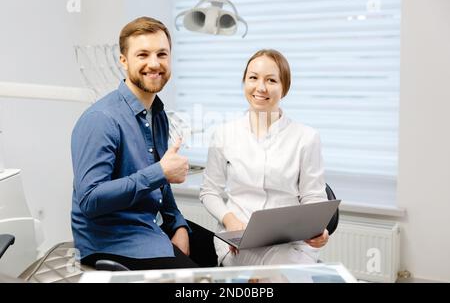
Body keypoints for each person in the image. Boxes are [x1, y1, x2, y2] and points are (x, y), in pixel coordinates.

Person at [71, 16, 216, 270]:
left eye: (162, 54)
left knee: (225, 256)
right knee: (201, 282)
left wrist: (177, 223)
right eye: (143, 55)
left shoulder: (158, 115)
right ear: (123, 61)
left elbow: (161, 184)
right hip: (113, 242)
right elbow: (91, 200)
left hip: (147, 228)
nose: (154, 63)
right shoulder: (101, 119)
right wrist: (159, 172)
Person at [199, 49, 329, 267]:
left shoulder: (306, 137)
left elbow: (313, 197)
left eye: (271, 80)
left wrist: (318, 230)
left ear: (284, 88)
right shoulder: (223, 134)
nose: (260, 87)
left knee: (280, 270)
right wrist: (231, 221)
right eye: (253, 78)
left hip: (290, 243)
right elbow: (209, 191)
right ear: (244, 82)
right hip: (238, 239)